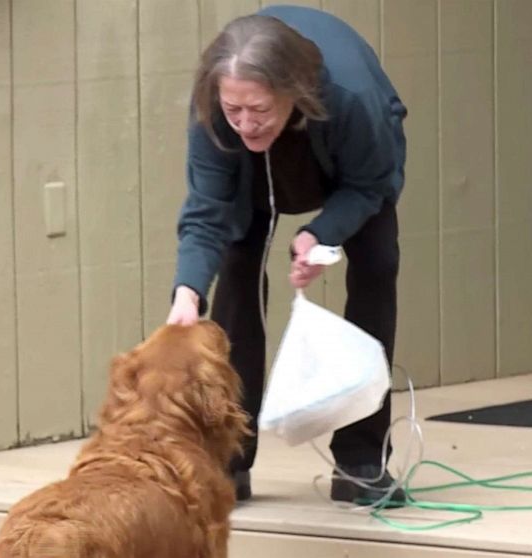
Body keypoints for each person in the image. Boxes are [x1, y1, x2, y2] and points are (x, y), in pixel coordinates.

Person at [166, 5, 408, 507]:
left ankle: (361, 460)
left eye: (258, 110)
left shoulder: (351, 97)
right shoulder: (217, 112)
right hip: (255, 177)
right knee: (236, 277)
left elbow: (371, 185)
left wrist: (323, 233)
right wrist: (187, 295)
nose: (246, 124)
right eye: (234, 110)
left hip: (350, 166)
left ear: (292, 92)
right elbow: (207, 211)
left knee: (377, 267)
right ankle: (228, 461)